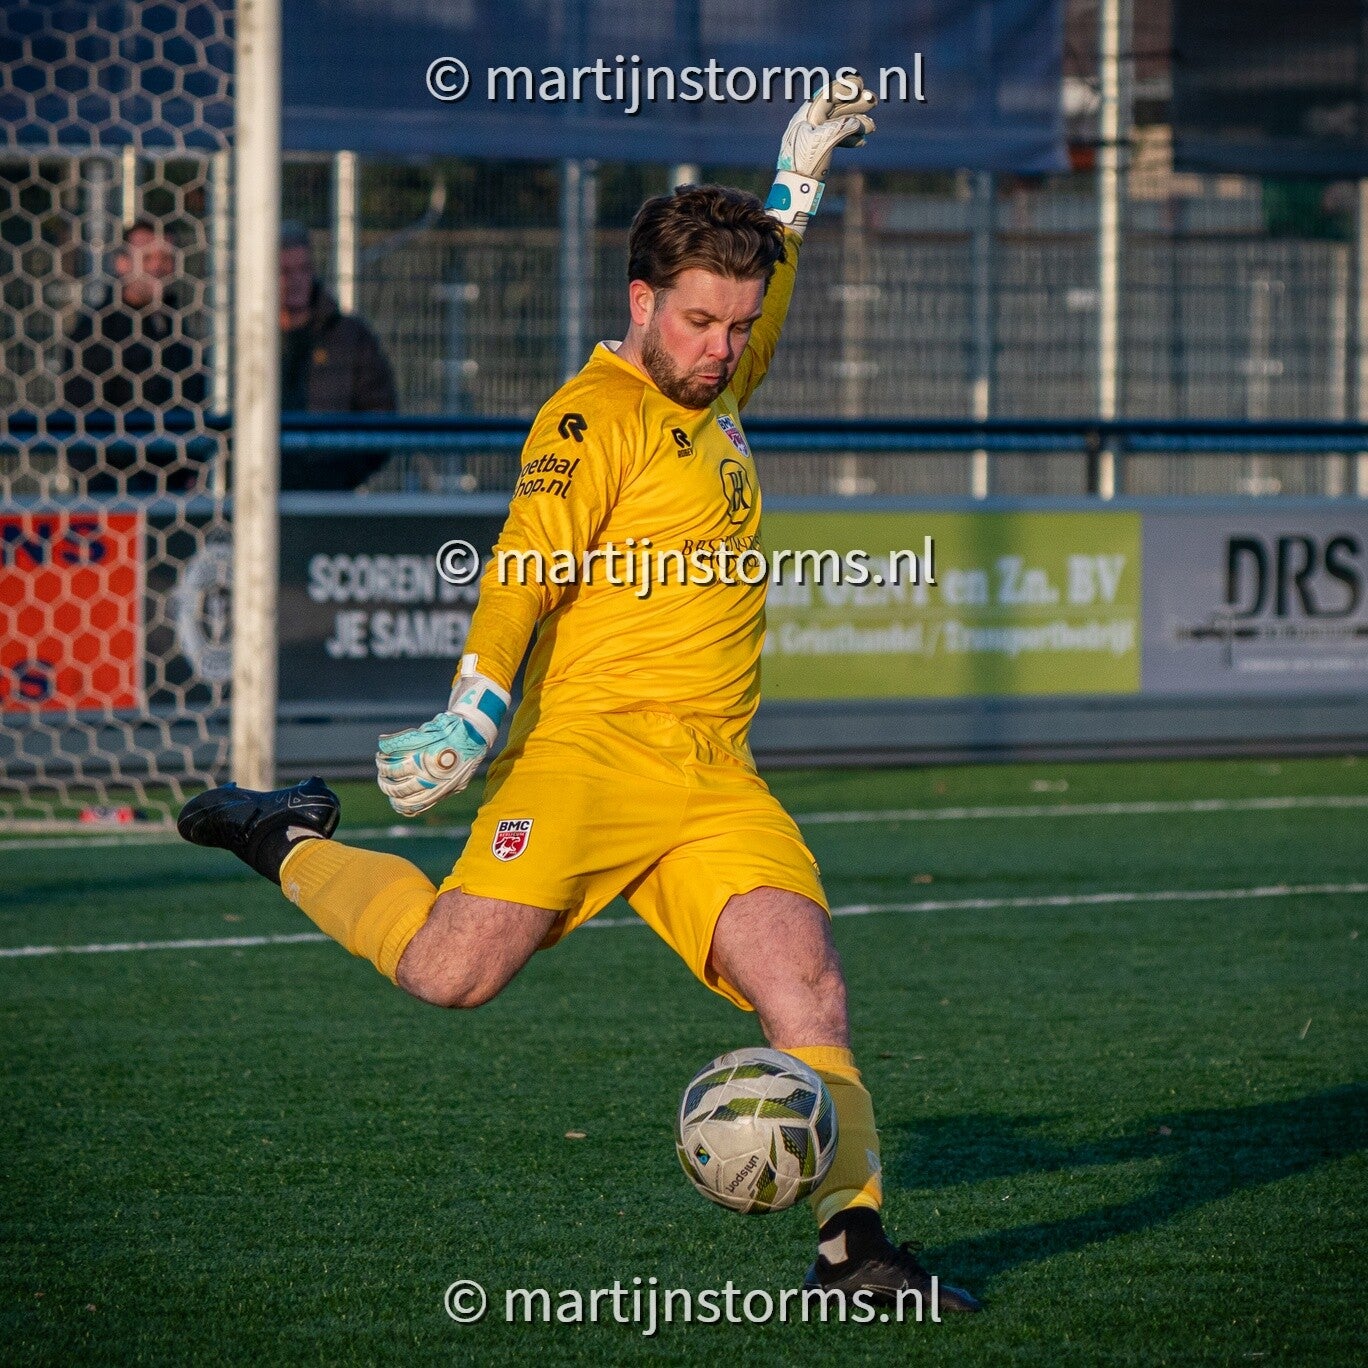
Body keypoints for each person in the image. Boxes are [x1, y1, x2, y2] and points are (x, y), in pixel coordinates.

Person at [178, 78, 980, 1312]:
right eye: (701, 322)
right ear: (641, 303)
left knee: (806, 980)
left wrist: (795, 189)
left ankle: (853, 1250)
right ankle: (280, 835)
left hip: (715, 774)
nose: (723, 348)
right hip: (587, 756)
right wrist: (474, 709)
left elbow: (763, 304)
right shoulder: (587, 419)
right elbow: (522, 569)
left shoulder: (716, 383)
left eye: (737, 326)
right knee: (450, 973)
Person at [63, 219, 207, 492]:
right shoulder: (97, 333)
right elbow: (81, 423)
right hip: (116, 491)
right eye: (147, 258)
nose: (157, 267)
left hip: (174, 488)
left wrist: (191, 470)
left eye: (166, 258)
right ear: (122, 264)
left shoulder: (178, 328)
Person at [277, 221, 397, 491]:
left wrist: (338, 474)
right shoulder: (248, 341)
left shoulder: (350, 338)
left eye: (303, 269)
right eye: (285, 272)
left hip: (330, 496)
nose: (295, 281)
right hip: (259, 492)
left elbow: (380, 415)